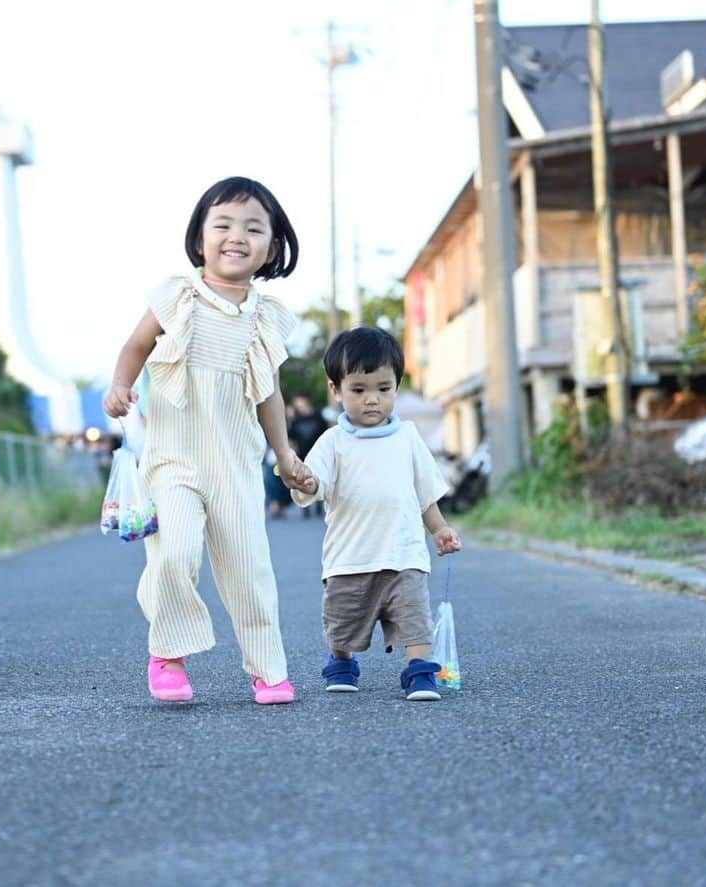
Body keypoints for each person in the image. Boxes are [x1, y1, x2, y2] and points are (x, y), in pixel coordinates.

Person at [104, 176, 312, 706]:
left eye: (253, 227)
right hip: (173, 458)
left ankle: (268, 670)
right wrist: (121, 385)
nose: (235, 235)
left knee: (250, 569)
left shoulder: (264, 317)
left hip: (237, 466)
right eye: (222, 224)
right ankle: (168, 655)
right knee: (174, 551)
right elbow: (135, 345)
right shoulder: (178, 296)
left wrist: (284, 453)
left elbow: (268, 394)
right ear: (200, 239)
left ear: (272, 245)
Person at [289, 326, 462, 701]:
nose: (373, 400)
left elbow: (424, 492)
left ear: (396, 387)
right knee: (342, 621)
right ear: (335, 389)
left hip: (404, 554)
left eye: (384, 389)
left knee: (415, 618)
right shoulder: (333, 441)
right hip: (349, 557)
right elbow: (316, 483)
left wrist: (439, 528)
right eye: (359, 390)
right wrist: (305, 482)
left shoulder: (408, 436)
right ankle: (342, 660)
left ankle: (419, 671)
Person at [287, 394, 329, 518]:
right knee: (304, 480)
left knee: (318, 478)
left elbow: (325, 433)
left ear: (306, 400)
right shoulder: (296, 420)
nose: (297, 404)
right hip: (302, 455)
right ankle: (306, 508)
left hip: (319, 454)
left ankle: (319, 505)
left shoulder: (318, 417)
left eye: (299, 401)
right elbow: (291, 437)